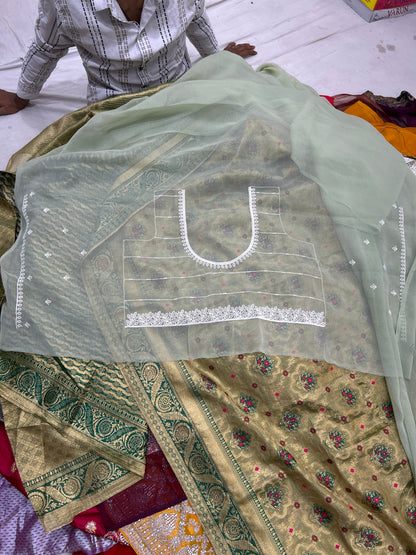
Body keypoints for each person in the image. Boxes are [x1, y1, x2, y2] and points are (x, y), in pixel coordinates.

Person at [0, 0, 256, 115]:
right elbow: (47, 46)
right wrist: (22, 96)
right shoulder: (66, 3)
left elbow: (195, 16)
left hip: (183, 92)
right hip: (115, 107)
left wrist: (217, 57)